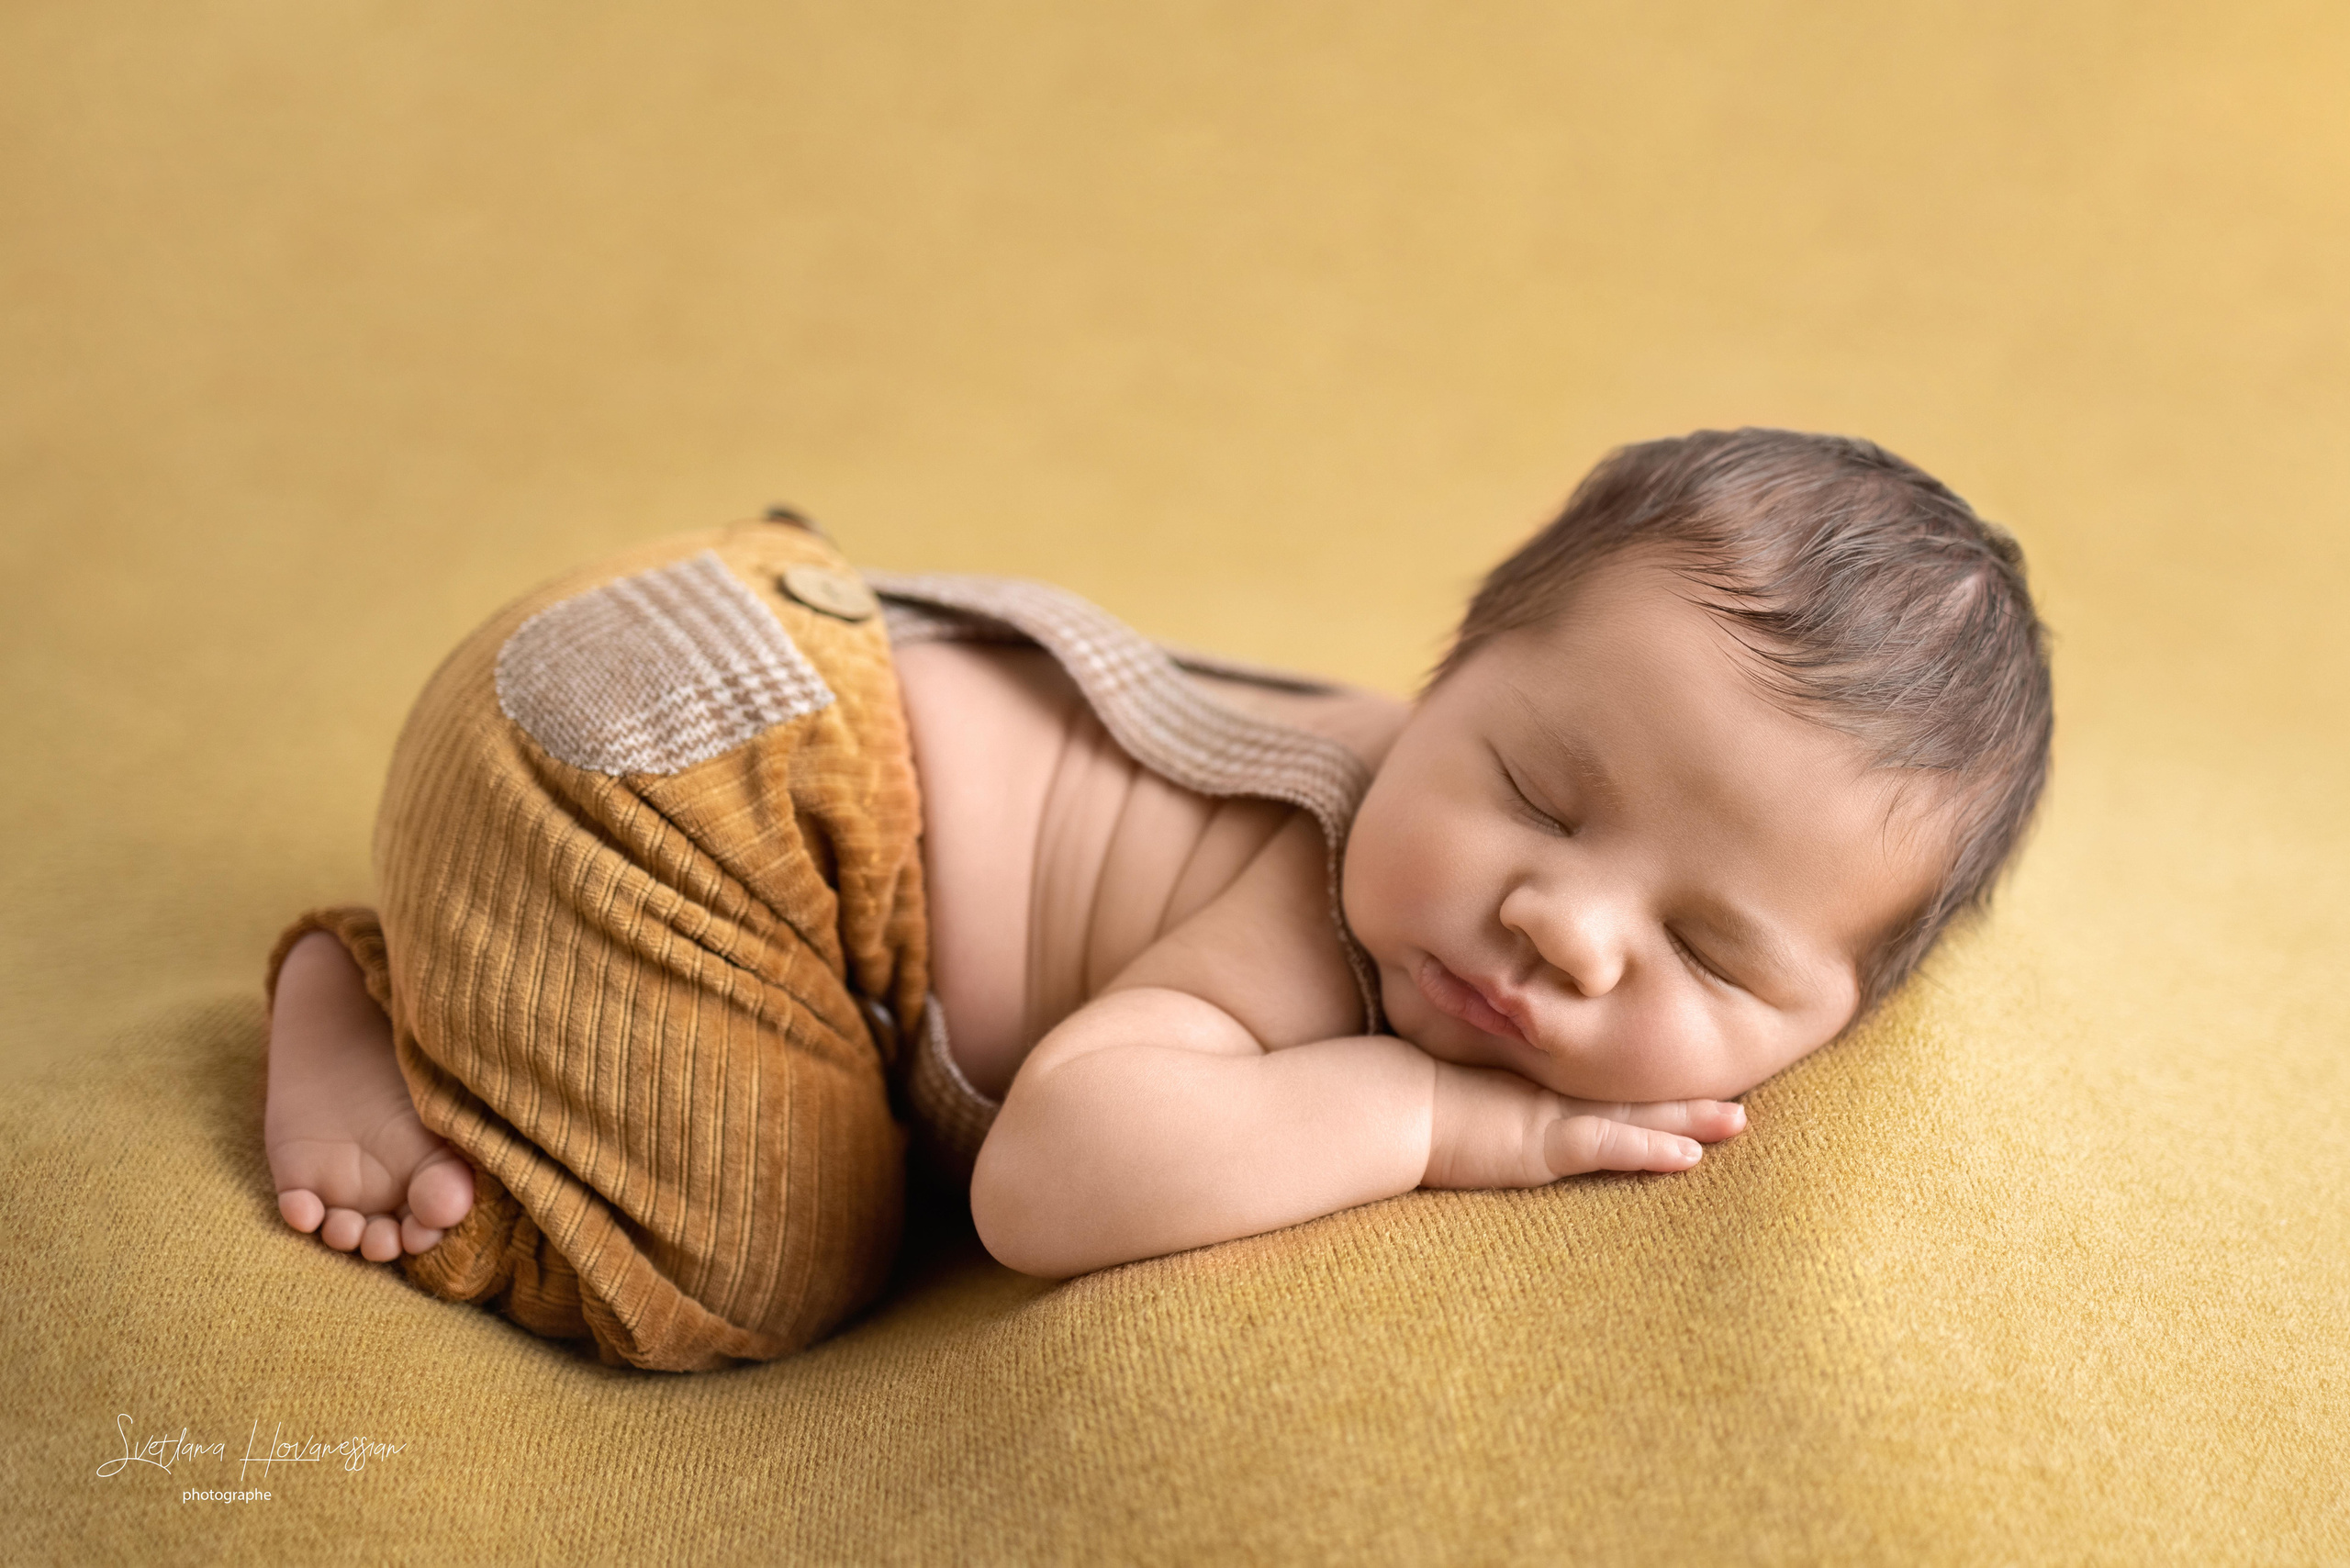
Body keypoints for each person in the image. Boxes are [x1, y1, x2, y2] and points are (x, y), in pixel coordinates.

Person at [263, 429, 2052, 1370]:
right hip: (674, 778)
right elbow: (1052, 1178)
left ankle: (471, 965)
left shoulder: (1457, 833)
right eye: (1530, 789)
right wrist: (1421, 1110)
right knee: (758, 1267)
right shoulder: (1312, 907)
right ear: (1444, 683)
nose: (1561, 926)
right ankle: (384, 1023)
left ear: (1844, 1017)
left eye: (1708, 949)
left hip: (724, 647)